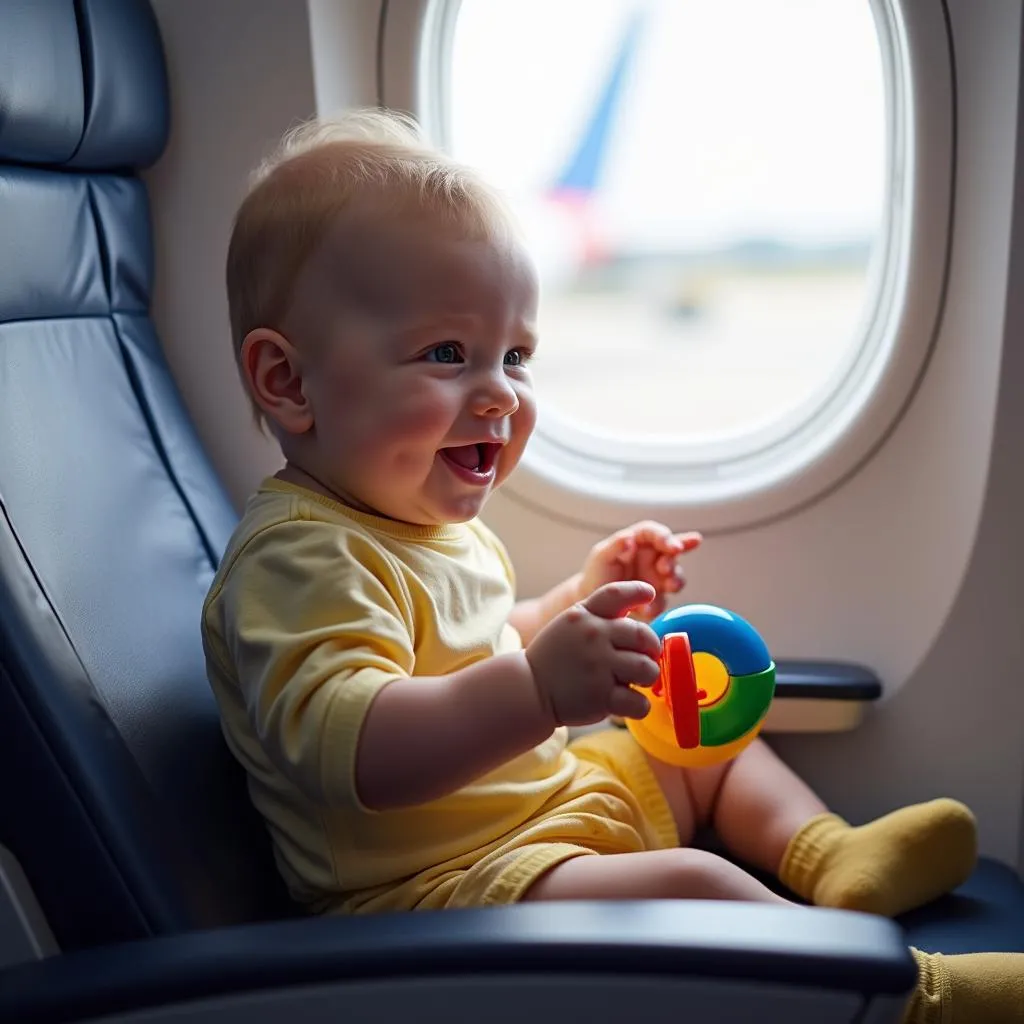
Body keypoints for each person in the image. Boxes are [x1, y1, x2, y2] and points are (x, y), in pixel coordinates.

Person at [201, 108, 1023, 1023]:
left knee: (695, 734)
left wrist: (575, 603)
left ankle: (831, 859)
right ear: (288, 381)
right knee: (695, 883)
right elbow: (353, 752)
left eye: (516, 356)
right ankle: (913, 1002)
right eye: (447, 354)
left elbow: (478, 647)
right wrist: (540, 694)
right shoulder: (299, 558)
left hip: (542, 820)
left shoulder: (418, 523)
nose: (504, 393)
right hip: (434, 896)